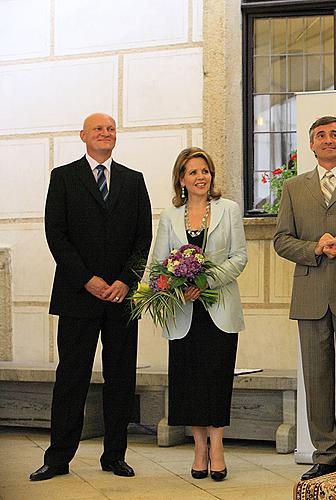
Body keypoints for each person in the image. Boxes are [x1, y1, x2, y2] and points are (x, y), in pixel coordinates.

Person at [32, 113, 152, 481]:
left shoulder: (134, 181)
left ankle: (114, 455)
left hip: (120, 298)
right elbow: (57, 234)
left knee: (120, 378)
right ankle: (57, 458)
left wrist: (125, 281)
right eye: (99, 128)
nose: (106, 133)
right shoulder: (64, 177)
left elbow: (142, 238)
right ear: (83, 135)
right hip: (77, 295)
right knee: (72, 377)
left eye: (111, 128)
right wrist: (86, 279)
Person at [274, 117, 336, 480]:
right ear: (311, 146)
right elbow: (282, 239)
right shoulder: (293, 188)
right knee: (316, 379)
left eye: (335, 135)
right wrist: (313, 248)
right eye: (321, 136)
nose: (328, 140)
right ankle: (324, 452)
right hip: (311, 293)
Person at [151, 147, 248, 481]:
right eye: (192, 172)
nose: (200, 177)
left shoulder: (229, 210)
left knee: (217, 379)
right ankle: (199, 449)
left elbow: (239, 257)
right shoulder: (170, 216)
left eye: (205, 170)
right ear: (181, 178)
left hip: (219, 309)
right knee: (190, 381)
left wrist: (205, 280)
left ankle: (218, 448)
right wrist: (178, 286)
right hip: (183, 312)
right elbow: (158, 264)